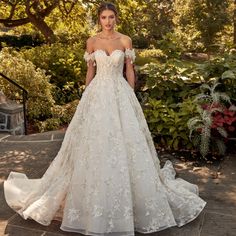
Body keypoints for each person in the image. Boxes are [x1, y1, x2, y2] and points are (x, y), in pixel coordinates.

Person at [4, 2, 206, 235]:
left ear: (116, 18)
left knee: (125, 142)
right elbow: (90, 71)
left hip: (120, 94)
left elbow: (130, 69)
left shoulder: (125, 40)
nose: (108, 21)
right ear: (99, 19)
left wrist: (131, 94)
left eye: (111, 17)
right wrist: (84, 98)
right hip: (97, 95)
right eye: (103, 17)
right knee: (93, 143)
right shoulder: (92, 42)